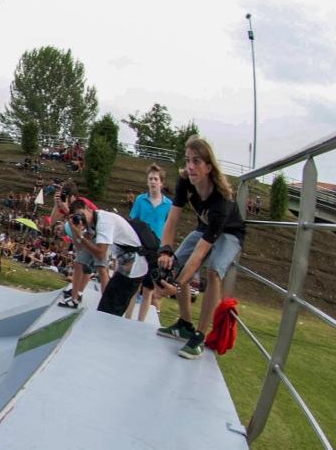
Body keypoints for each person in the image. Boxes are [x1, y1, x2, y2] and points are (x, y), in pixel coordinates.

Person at [155, 137, 246, 359]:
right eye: (188, 160)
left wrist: (175, 284)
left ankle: (200, 334)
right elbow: (172, 219)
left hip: (229, 232)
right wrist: (165, 250)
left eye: (196, 161)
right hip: (205, 228)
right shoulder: (185, 181)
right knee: (177, 262)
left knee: (213, 271)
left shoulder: (221, 202)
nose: (191, 167)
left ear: (208, 166)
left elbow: (200, 254)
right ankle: (185, 323)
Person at [64, 198, 153, 316]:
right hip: (125, 268)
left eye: (82, 214)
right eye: (77, 216)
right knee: (106, 308)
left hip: (135, 269)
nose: (82, 219)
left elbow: (100, 253)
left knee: (110, 311)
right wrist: (76, 232)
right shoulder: (92, 223)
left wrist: (81, 237)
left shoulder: (104, 221)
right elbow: (80, 247)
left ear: (88, 209)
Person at [128, 164, 174, 322]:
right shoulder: (141, 200)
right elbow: (133, 221)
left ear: (161, 183)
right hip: (140, 246)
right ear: (147, 182)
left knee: (148, 289)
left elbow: (170, 227)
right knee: (134, 286)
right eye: (150, 179)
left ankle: (140, 322)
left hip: (156, 249)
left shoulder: (169, 205)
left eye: (156, 179)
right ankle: (127, 319)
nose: (153, 182)